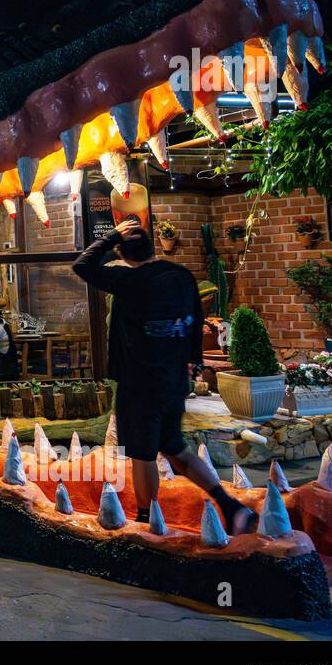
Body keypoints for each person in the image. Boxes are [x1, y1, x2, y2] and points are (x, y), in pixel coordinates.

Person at [72, 216, 257, 534]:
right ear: (152, 248)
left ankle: (148, 523)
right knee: (175, 449)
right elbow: (195, 320)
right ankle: (231, 507)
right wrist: (193, 362)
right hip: (173, 380)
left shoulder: (128, 279)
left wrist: (111, 235)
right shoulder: (182, 276)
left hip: (139, 382)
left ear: (124, 255)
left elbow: (83, 265)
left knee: (142, 454)